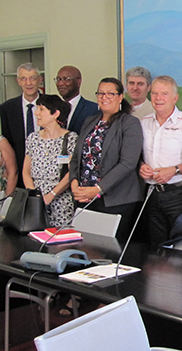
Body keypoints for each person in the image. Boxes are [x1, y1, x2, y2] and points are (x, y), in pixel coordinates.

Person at [69, 77, 144, 241]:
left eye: (111, 93)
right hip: (84, 195)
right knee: (85, 245)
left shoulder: (130, 123)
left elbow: (128, 163)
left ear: (120, 97)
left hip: (116, 198)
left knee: (108, 250)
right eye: (101, 93)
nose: (105, 97)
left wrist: (98, 189)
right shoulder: (90, 121)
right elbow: (76, 156)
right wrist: (74, 182)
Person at [139, 76, 182, 246]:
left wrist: (175, 170)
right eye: (155, 93)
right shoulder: (143, 123)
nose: (158, 98)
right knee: (156, 245)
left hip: (178, 194)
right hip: (151, 193)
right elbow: (137, 156)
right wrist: (141, 166)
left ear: (175, 98)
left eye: (164, 93)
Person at [21, 95, 78, 228]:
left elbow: (71, 172)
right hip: (36, 202)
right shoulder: (33, 138)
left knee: (59, 242)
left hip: (60, 202)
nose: (36, 113)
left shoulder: (70, 138)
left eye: (41, 109)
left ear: (55, 114)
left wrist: (51, 195)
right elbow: (26, 170)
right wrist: (34, 196)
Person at [0, 62, 42, 188]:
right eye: (24, 78)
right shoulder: (7, 108)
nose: (28, 83)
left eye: (33, 78)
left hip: (48, 172)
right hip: (19, 170)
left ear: (40, 80)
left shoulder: (51, 104)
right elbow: (8, 143)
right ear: (18, 81)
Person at [54, 65, 98, 134]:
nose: (60, 83)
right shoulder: (52, 109)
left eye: (66, 79)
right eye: (58, 79)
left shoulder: (93, 109)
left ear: (78, 82)